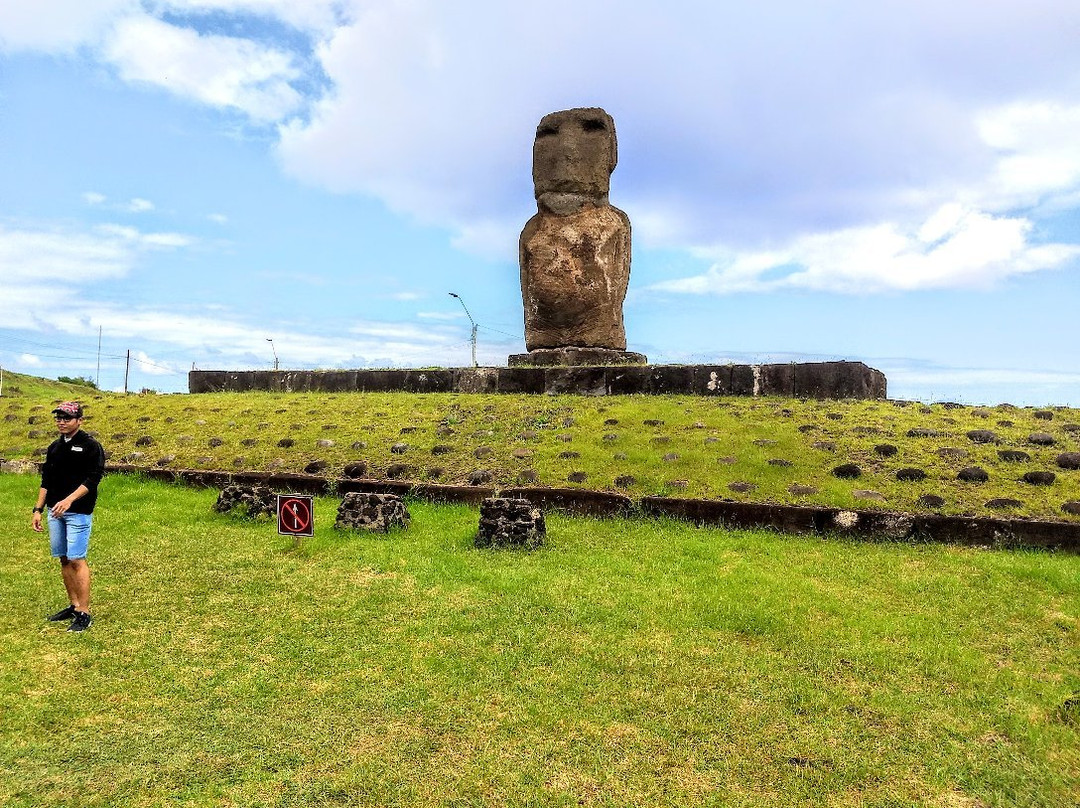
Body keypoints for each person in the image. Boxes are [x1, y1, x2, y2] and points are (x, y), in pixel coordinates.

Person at [31, 401, 105, 633]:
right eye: (58, 418)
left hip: (78, 512)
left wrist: (69, 500)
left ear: (79, 421)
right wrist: (38, 509)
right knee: (63, 559)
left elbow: (93, 479)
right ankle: (74, 605)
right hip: (54, 511)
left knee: (76, 559)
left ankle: (84, 612)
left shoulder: (91, 446)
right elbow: (46, 480)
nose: (61, 422)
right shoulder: (54, 447)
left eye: (67, 418)